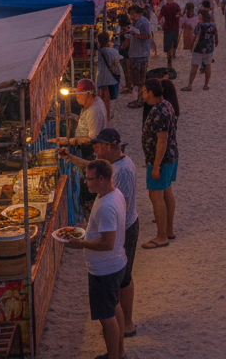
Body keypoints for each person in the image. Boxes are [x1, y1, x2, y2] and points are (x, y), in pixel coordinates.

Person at [58, 129, 140, 339]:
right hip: (122, 225)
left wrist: (82, 242)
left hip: (126, 227)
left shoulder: (122, 172)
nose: (94, 148)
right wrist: (70, 157)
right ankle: (120, 329)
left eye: (99, 145)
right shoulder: (112, 164)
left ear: (111, 147)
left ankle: (127, 324)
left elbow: (118, 213)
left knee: (124, 279)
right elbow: (91, 168)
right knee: (119, 285)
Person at [65, 159, 128, 359]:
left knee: (106, 318)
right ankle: (119, 353)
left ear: (101, 179)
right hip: (116, 263)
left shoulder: (106, 206)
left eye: (89, 179)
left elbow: (107, 243)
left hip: (105, 269)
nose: (86, 182)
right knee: (113, 306)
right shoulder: (113, 194)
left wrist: (80, 243)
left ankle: (114, 356)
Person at [141, 79, 179, 249]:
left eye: (143, 91)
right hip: (171, 156)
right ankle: (168, 230)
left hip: (161, 160)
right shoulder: (167, 105)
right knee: (166, 192)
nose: (143, 95)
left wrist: (155, 165)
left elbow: (161, 141)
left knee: (156, 196)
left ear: (150, 92)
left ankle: (161, 236)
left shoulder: (159, 111)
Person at [183, 6, 217, 91]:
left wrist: (191, 47)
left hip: (199, 48)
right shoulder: (213, 25)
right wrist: (215, 43)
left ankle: (190, 85)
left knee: (194, 66)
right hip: (209, 48)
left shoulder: (199, 25)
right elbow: (216, 36)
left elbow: (194, 37)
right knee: (208, 66)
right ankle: (206, 85)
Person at [126, 5, 152, 104]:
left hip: (141, 54)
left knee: (141, 79)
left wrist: (134, 34)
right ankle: (139, 98)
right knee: (137, 78)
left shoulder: (144, 22)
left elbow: (148, 36)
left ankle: (141, 99)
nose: (131, 16)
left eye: (133, 14)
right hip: (135, 53)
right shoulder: (136, 23)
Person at [95, 33, 122, 105]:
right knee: (109, 101)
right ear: (108, 40)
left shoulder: (98, 53)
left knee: (102, 100)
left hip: (101, 79)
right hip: (112, 80)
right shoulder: (114, 51)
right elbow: (116, 63)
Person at [158, 0, 182, 71]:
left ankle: (169, 61)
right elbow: (179, 16)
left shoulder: (164, 7)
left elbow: (160, 17)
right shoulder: (176, 6)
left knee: (167, 45)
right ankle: (172, 53)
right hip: (175, 28)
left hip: (167, 28)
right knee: (173, 43)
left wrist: (160, 24)